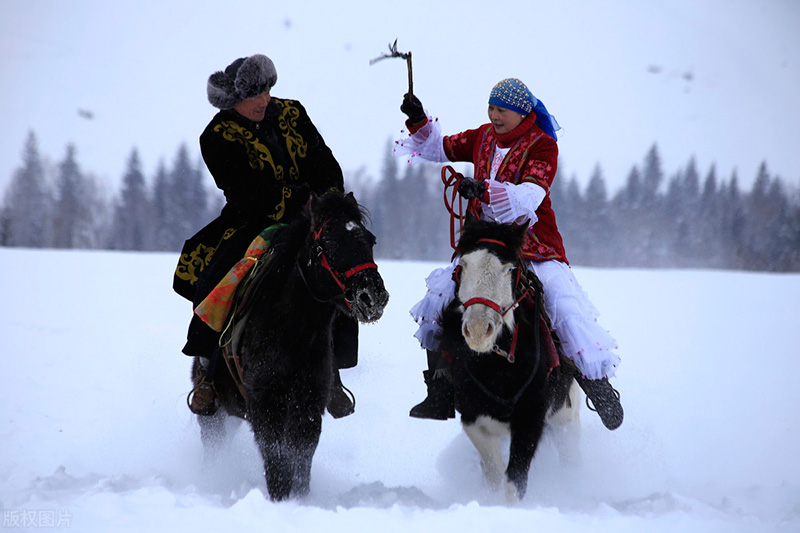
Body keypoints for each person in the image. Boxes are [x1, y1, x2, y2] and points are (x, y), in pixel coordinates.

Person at [395, 78, 624, 430]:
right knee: (440, 296)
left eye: (501, 110)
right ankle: (440, 389)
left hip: (533, 246)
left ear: (521, 112)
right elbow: (439, 148)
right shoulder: (482, 136)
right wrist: (418, 119)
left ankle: (595, 384)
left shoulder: (543, 146)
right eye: (491, 107)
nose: (494, 115)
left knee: (562, 304)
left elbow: (529, 198)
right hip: (485, 243)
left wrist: (483, 189)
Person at [173, 53, 357, 419]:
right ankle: (208, 374)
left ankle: (332, 374)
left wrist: (327, 201)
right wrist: (299, 198)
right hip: (251, 222)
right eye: (253, 95)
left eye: (267, 90)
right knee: (217, 280)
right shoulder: (216, 135)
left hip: (310, 219)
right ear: (232, 101)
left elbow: (325, 164)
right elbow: (246, 193)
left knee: (344, 271)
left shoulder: (293, 113)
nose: (263, 100)